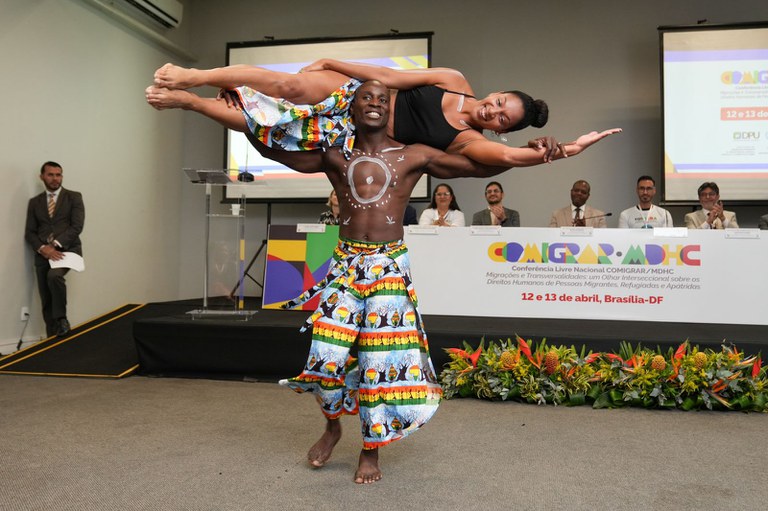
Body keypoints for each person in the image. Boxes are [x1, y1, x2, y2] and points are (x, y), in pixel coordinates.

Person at [243, 80, 619, 484]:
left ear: (391, 111)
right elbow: (276, 150)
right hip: (345, 265)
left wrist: (555, 150)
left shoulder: (414, 155)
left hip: (388, 268)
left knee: (379, 361)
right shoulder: (338, 153)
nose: (374, 104)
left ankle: (370, 449)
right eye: (365, 98)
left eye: (382, 99)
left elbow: (484, 165)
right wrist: (247, 115)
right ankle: (333, 427)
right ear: (351, 107)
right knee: (325, 356)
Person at [146, 60, 575, 166]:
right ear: (496, 92)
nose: (494, 111)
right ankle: (193, 76)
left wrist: (564, 150)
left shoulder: (470, 142)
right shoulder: (453, 79)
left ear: (503, 130)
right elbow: (386, 75)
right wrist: (335, 61)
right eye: (500, 102)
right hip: (358, 93)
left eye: (503, 119)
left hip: (352, 131)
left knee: (269, 129)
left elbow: (510, 158)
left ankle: (191, 104)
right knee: (290, 86)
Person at [24, 161, 85, 337]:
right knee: (46, 299)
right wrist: (43, 248)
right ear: (42, 176)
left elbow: (76, 227)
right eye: (50, 175)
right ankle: (52, 338)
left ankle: (61, 319)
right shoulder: (34, 202)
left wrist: (55, 245)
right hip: (42, 255)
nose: (55, 179)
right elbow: (30, 232)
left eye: (58, 175)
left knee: (54, 277)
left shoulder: (74, 197)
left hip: (67, 250)